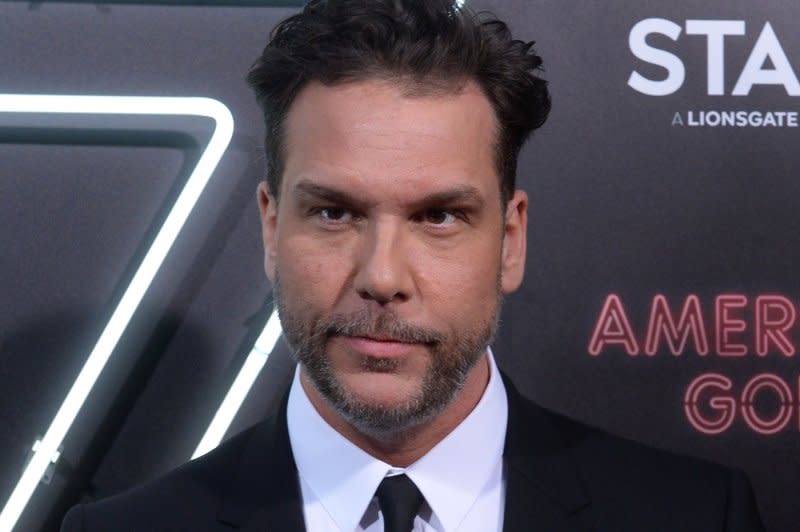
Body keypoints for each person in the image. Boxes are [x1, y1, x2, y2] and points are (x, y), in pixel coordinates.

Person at [62, 0, 765, 530]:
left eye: (438, 217)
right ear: (272, 228)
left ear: (511, 239)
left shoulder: (696, 514)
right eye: (335, 212)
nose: (383, 277)